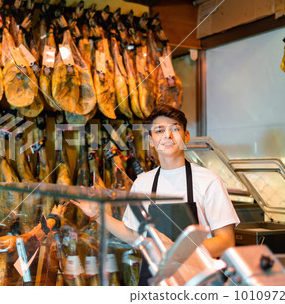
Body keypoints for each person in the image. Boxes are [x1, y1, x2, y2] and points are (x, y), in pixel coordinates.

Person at [71, 104, 240, 283]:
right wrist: (97, 215)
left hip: (197, 281)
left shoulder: (209, 180)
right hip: (155, 280)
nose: (167, 135)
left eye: (175, 128)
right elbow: (133, 235)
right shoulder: (143, 183)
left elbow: (226, 241)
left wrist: (177, 254)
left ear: (186, 136)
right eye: (159, 130)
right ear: (150, 140)